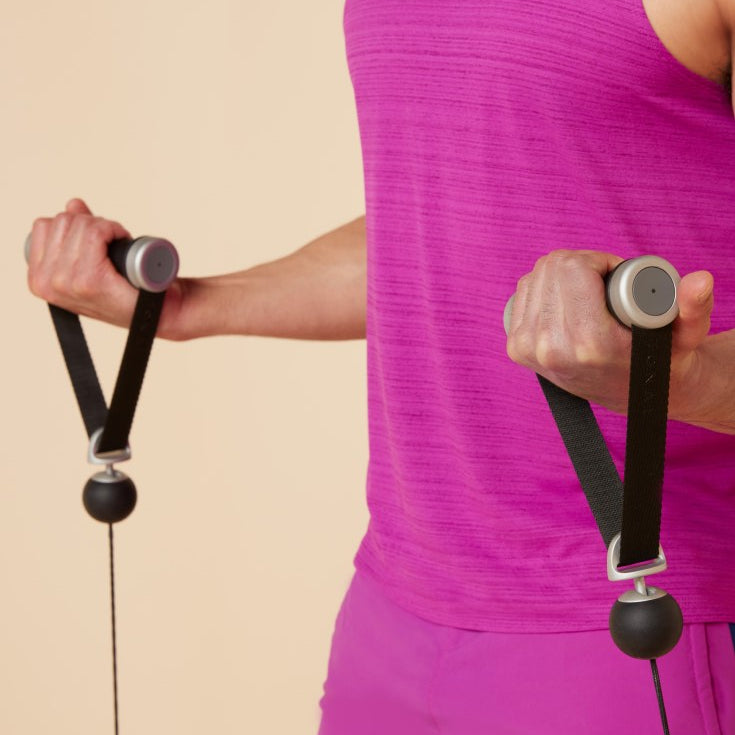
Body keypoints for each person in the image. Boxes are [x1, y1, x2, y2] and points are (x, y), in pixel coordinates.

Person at [27, 0, 735, 732]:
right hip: (393, 609)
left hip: (637, 612)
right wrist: (190, 307)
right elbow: (437, 219)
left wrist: (679, 382)